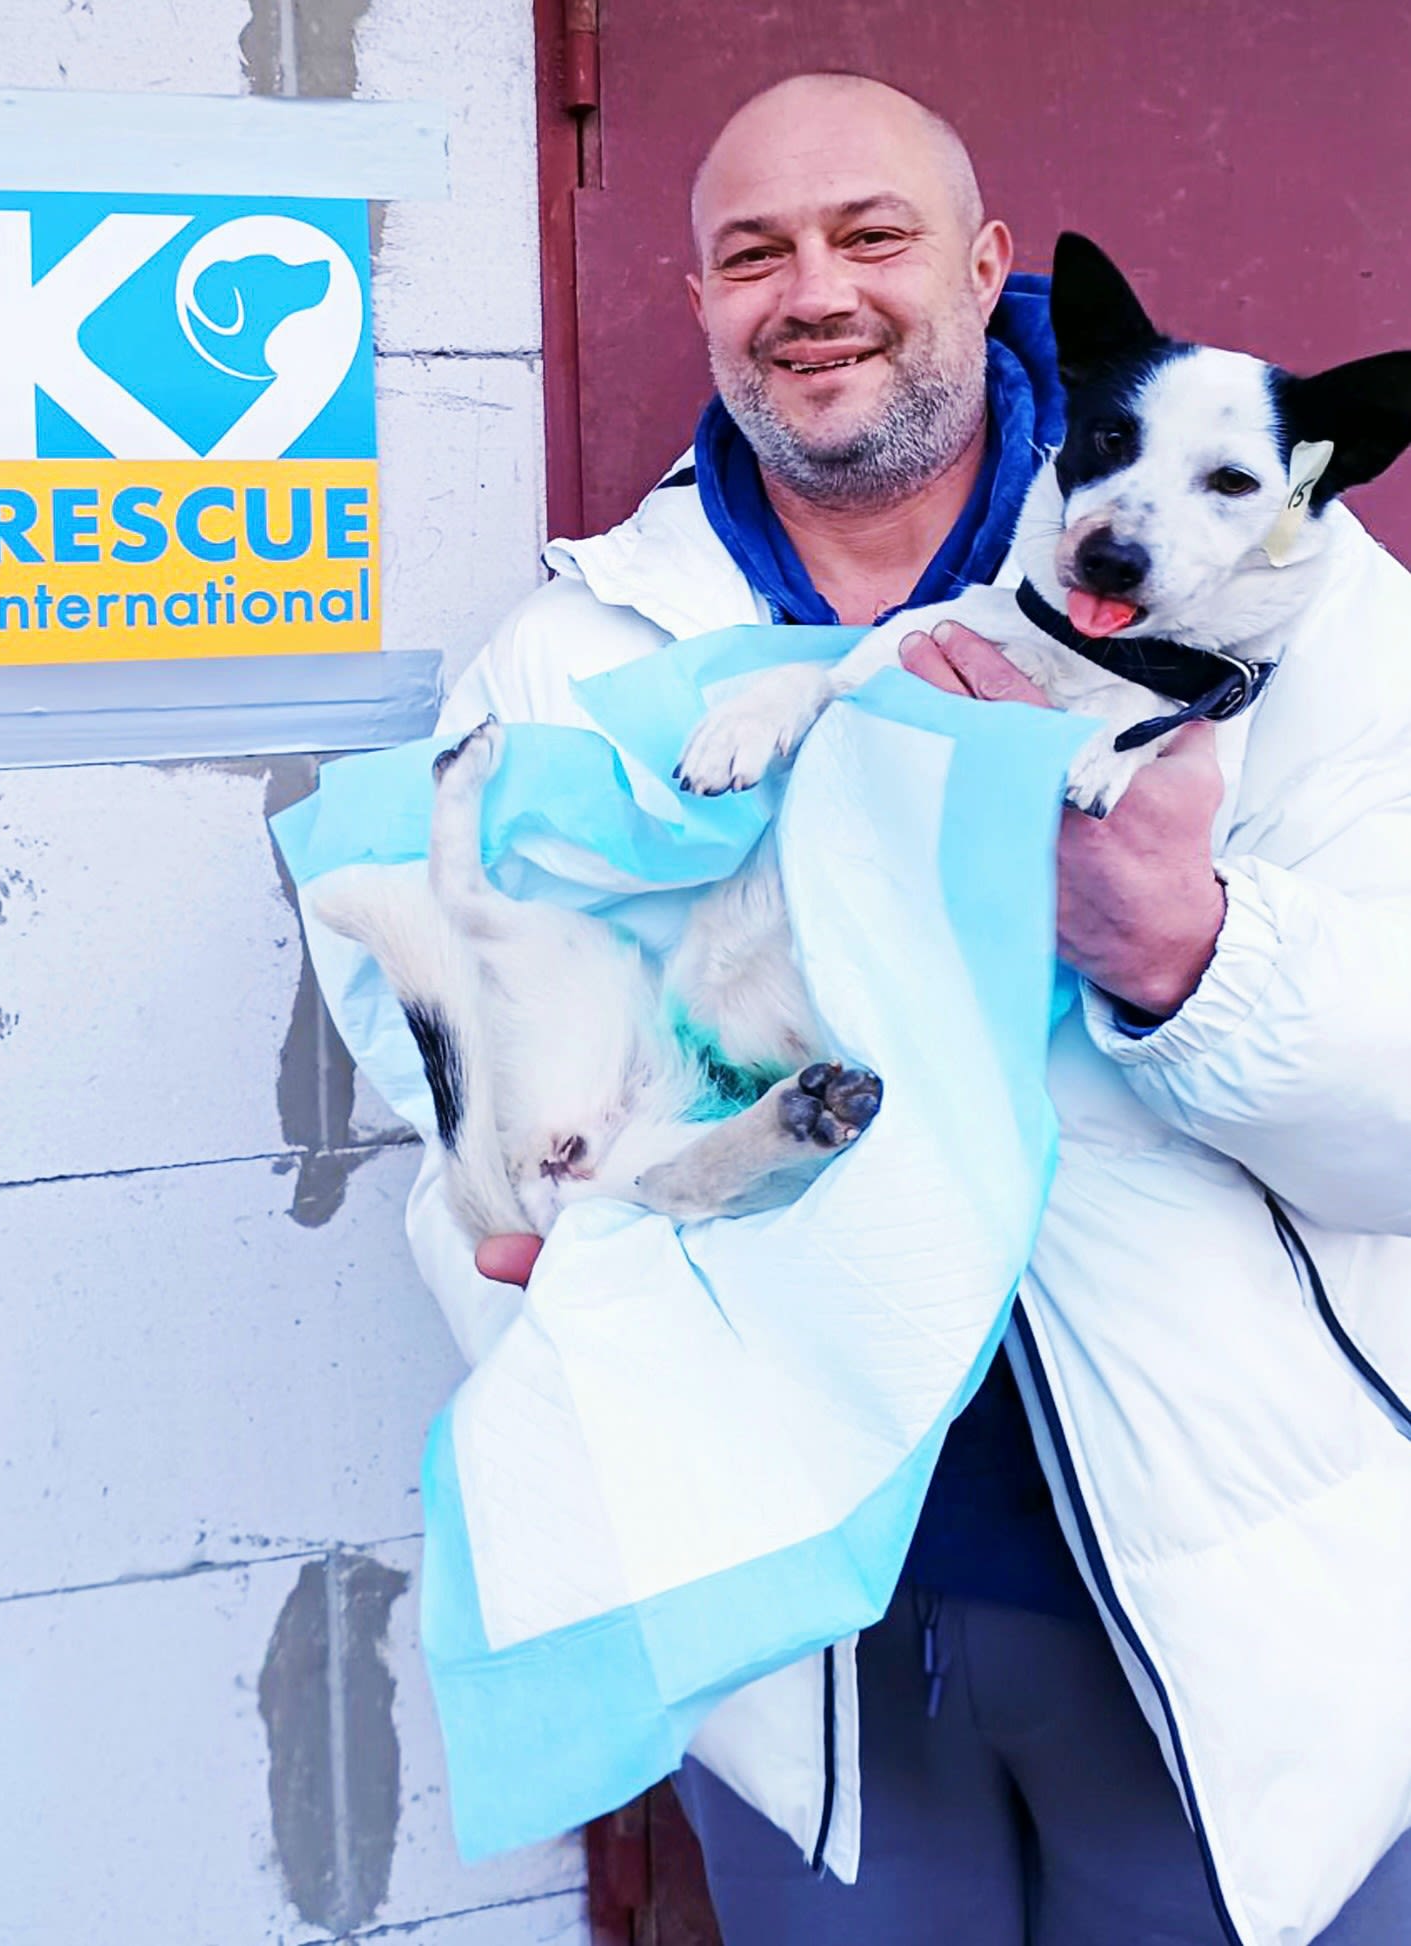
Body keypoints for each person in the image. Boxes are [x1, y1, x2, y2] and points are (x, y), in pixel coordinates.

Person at [412, 71, 1411, 1946]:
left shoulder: (1326, 622)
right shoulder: (567, 655)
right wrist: (525, 1225)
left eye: (872, 235)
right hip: (798, 1612)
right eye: (753, 252)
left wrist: (1187, 953)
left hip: (1226, 1595)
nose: (817, 290)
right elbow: (462, 1113)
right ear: (699, 299)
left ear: (986, 264)